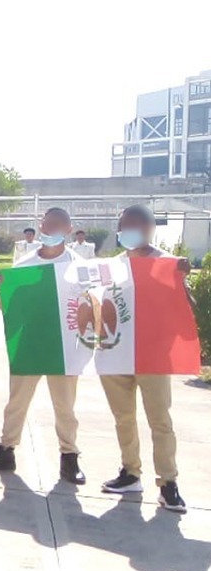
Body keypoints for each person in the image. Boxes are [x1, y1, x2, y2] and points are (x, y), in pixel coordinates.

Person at [0, 208, 85, 483]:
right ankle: (6, 449)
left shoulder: (79, 266)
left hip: (63, 346)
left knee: (65, 405)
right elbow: (11, 308)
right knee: (17, 401)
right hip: (28, 343)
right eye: (47, 227)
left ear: (69, 230)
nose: (51, 232)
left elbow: (90, 307)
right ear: (40, 227)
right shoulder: (24, 265)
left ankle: (69, 456)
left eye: (58, 227)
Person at [96, 205, 188, 512]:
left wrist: (180, 281)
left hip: (153, 355)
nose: (130, 231)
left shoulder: (168, 265)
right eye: (124, 226)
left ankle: (168, 483)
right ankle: (130, 472)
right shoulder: (110, 267)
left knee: (160, 421)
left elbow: (184, 311)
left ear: (151, 229)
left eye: (137, 225)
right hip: (115, 354)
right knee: (124, 418)